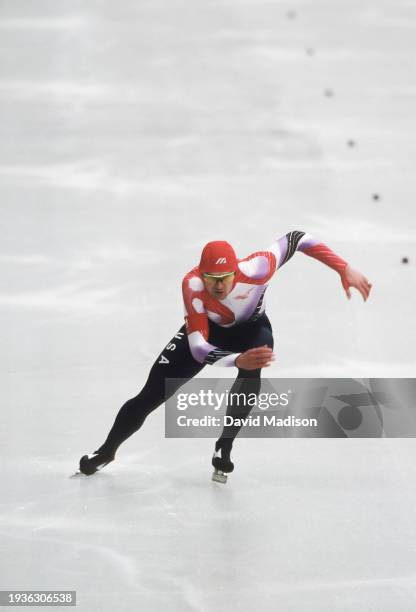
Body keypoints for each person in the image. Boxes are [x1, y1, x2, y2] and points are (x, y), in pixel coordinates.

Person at [78, 230, 372, 478]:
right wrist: (234, 359)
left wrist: (342, 267)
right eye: (211, 278)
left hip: (252, 330)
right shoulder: (192, 285)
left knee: (254, 364)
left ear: (236, 271)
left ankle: (225, 445)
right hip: (209, 332)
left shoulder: (258, 268)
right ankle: (106, 451)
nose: (219, 286)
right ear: (201, 274)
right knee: (151, 393)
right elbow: (197, 347)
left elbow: (297, 238)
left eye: (225, 277)